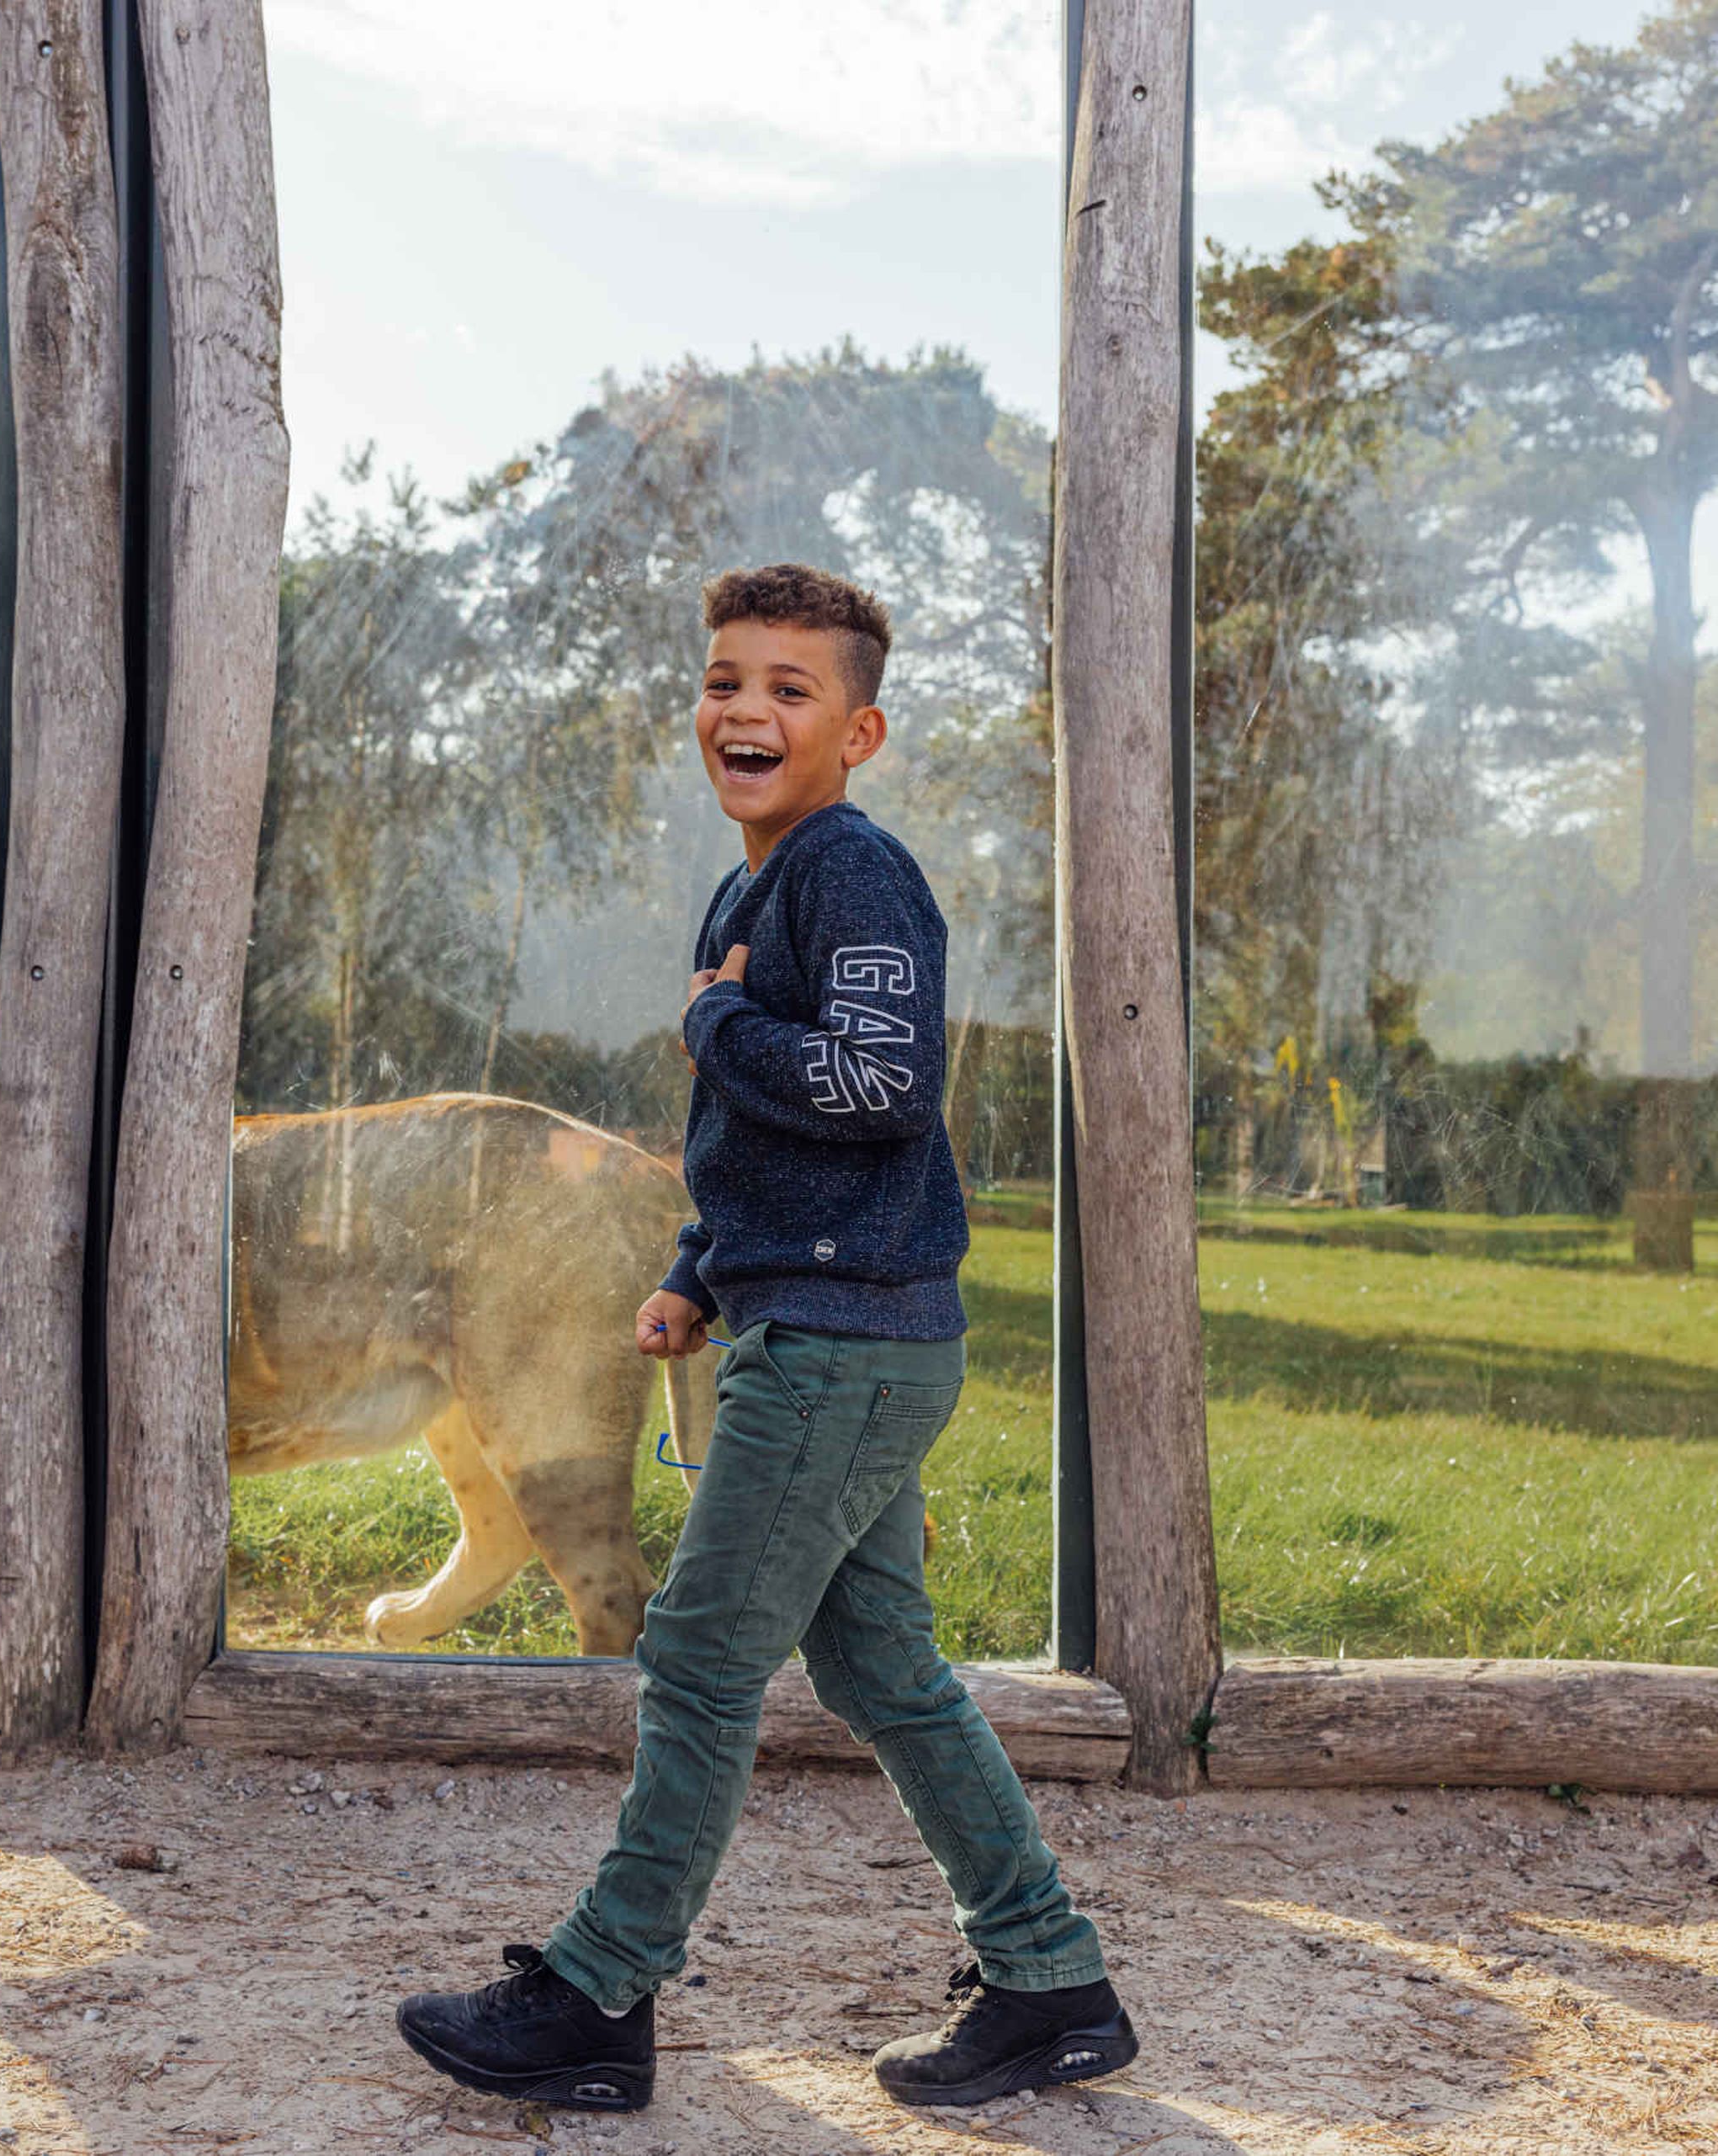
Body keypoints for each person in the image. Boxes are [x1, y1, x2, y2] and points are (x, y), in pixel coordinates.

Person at [395, 563, 1136, 2114]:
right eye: (728, 678)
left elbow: (880, 1086)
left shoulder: (854, 874)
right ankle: (1052, 1978)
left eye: (790, 690)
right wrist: (697, 1271)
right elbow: (761, 1141)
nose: (748, 708)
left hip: (850, 1345)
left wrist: (717, 1022)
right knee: (884, 1672)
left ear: (858, 730)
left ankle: (599, 1992)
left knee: (701, 1654)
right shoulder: (752, 888)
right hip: (809, 1317)